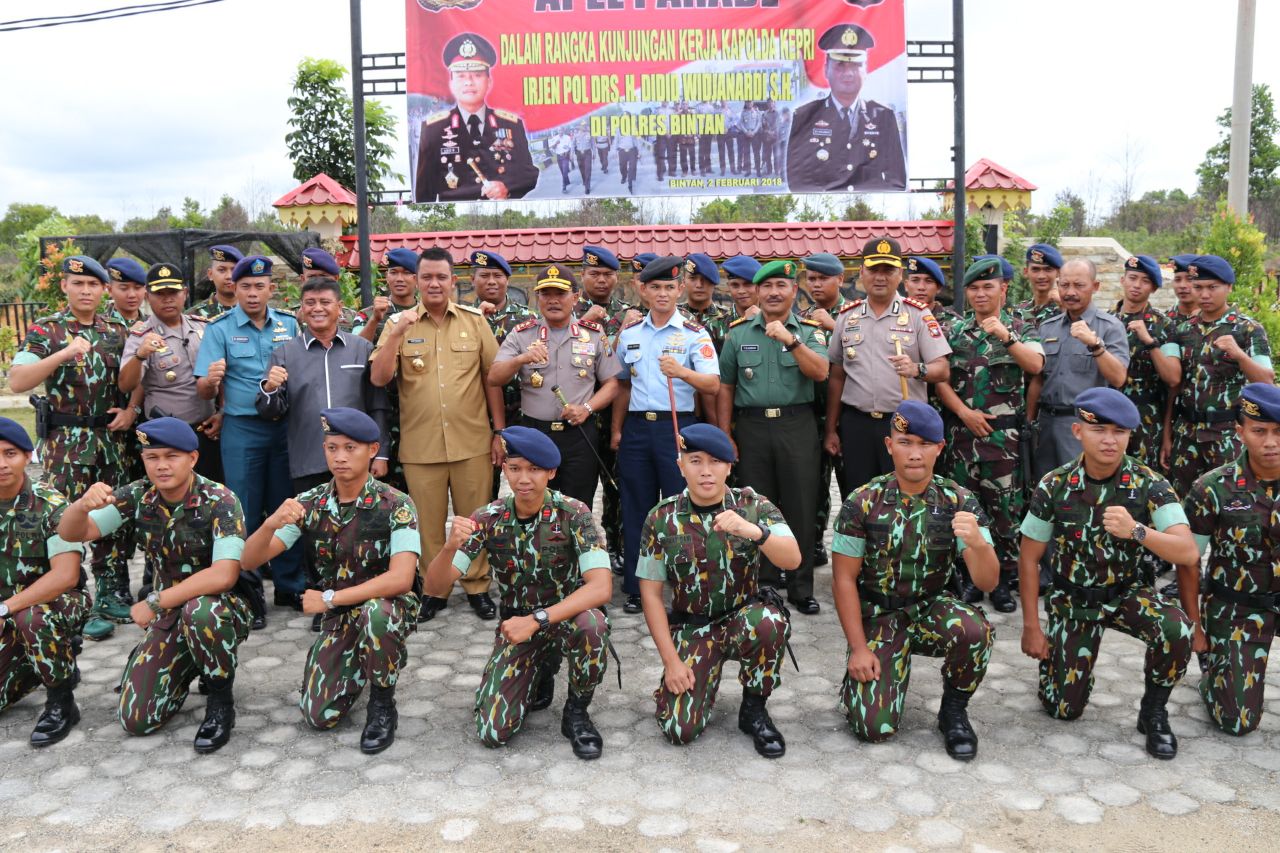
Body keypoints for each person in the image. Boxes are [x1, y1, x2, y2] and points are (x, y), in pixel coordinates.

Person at [1018, 388, 1198, 759]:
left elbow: (1188, 551)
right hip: (1073, 597)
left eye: (1120, 432)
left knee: (1176, 627)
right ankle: (1072, 669)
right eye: (1099, 430)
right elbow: (1028, 557)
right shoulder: (1054, 484)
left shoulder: (1149, 483)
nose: (1110, 440)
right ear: (1077, 432)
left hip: (1127, 593)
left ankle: (1154, 711)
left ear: (1130, 436)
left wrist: (1138, 531)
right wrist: (1032, 626)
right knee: (1063, 710)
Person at [59, 418, 250, 752]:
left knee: (201, 611)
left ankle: (221, 699)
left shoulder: (220, 500)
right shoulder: (137, 496)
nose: (161, 466)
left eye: (171, 456)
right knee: (136, 719)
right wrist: (81, 505)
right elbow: (75, 533)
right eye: (152, 457)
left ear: (192, 458)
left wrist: (155, 601)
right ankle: (188, 660)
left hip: (220, 609)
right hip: (169, 615)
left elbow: (224, 575)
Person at [241, 408, 419, 754]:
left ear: (372, 450)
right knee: (318, 715)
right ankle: (358, 660)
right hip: (339, 613)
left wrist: (328, 600)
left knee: (377, 615)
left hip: (385, 606)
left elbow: (401, 579)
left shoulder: (396, 504)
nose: (339, 457)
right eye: (331, 447)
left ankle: (383, 702)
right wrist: (269, 524)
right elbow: (249, 561)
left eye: (350, 448)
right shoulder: (310, 503)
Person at [427, 427, 612, 759]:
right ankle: (540, 670)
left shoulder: (574, 513)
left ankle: (577, 711)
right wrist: (449, 547)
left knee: (593, 624)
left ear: (551, 472)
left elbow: (601, 587)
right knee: (492, 731)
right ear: (504, 470)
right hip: (517, 627)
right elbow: (435, 587)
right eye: (515, 468)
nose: (524, 478)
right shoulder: (488, 517)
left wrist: (538, 619)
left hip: (565, 617)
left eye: (534, 469)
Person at [831, 401, 996, 759]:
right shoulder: (861, 501)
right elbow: (843, 579)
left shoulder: (960, 501)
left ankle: (954, 710)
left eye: (925, 444)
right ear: (890, 445)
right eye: (906, 442)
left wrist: (979, 545)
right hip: (878, 613)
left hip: (930, 607)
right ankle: (859, 680)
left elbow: (986, 582)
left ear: (940, 448)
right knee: (873, 729)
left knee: (974, 630)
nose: (915, 454)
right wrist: (859, 648)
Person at [637, 423, 798, 756]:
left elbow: (793, 559)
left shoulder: (754, 505)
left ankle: (754, 709)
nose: (706, 472)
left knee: (768, 621)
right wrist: (671, 663)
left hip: (743, 620)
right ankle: (690, 682)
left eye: (715, 462)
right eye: (695, 461)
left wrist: (754, 532)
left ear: (729, 465)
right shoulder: (661, 518)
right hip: (692, 627)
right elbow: (650, 595)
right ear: (680, 465)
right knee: (678, 730)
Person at [370, 247, 504, 623]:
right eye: (426, 276)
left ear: (452, 282)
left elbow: (491, 378)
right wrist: (395, 334)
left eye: (440, 277)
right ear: (415, 280)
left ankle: (477, 585)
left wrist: (499, 432)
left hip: (472, 441)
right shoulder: (399, 322)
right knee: (427, 526)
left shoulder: (475, 322)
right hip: (421, 444)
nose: (433, 283)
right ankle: (434, 589)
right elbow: (379, 378)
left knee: (473, 519)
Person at [10, 255, 135, 642]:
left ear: (103, 290)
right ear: (64, 286)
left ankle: (112, 593)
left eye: (93, 285)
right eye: (77, 284)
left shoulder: (118, 328)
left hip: (110, 441)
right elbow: (17, 380)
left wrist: (132, 410)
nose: (85, 291)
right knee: (64, 520)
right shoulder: (46, 331)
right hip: (65, 444)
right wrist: (63, 353)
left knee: (112, 513)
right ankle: (72, 594)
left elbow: (137, 373)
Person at [194, 255, 300, 627]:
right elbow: (203, 386)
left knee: (285, 506)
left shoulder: (290, 324)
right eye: (245, 287)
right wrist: (211, 379)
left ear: (271, 288)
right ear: (233, 289)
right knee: (245, 508)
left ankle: (290, 583)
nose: (252, 293)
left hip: (286, 427)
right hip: (242, 429)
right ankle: (250, 588)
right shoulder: (219, 329)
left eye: (259, 286)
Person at [934, 257, 1044, 612]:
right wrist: (963, 412)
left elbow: (1036, 366)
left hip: (1004, 441)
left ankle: (1001, 583)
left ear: (1004, 289)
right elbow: (941, 381)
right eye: (974, 289)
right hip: (963, 438)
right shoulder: (954, 331)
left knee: (1006, 511)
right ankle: (969, 579)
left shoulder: (1021, 326)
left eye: (988, 287)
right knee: (966, 509)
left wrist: (1006, 337)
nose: (980, 294)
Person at [718, 259, 828, 614]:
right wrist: (725, 435)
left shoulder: (809, 330)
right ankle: (763, 584)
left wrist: (791, 340)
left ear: (794, 291)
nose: (773, 292)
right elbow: (725, 387)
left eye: (781, 286)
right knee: (755, 507)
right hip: (751, 428)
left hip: (796, 425)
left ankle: (800, 586)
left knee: (800, 504)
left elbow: (821, 371)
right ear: (757, 292)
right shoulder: (738, 332)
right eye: (766, 287)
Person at [614, 256, 721, 614]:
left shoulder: (693, 334)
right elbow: (622, 383)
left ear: (680, 289)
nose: (662, 294)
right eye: (655, 287)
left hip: (677, 426)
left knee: (679, 508)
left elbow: (713, 383)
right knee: (636, 507)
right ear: (642, 290)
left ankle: (683, 583)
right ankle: (637, 586)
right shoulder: (629, 334)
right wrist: (617, 429)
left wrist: (683, 372)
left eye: (669, 287)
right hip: (637, 429)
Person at [255, 274, 389, 553]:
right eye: (310, 303)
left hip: (358, 458)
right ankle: (317, 591)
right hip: (308, 460)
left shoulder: (361, 348)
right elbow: (271, 413)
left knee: (363, 531)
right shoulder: (284, 353)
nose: (317, 308)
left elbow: (377, 404)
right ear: (301, 311)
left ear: (340, 308)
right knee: (314, 536)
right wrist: (269, 387)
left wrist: (383, 453)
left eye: (325, 302)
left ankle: (358, 592)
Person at [1183, 384, 1280, 736]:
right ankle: (1217, 673)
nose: (1271, 442)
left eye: (1279, 432)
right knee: (1237, 722)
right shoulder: (1212, 488)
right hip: (1238, 609)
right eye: (1260, 431)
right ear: (1240, 433)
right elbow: (1188, 560)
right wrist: (1195, 625)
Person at [825, 237, 952, 492]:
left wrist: (917, 369)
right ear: (861, 273)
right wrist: (831, 429)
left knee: (905, 496)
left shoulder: (918, 315)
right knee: (858, 496)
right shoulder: (846, 317)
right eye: (873, 270)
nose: (880, 277)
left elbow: (942, 369)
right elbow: (837, 376)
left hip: (904, 425)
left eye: (888, 270)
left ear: (900, 274)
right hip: (857, 424)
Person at [491, 265, 619, 505]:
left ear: (575, 296)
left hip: (579, 435)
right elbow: (494, 377)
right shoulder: (522, 334)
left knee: (578, 505)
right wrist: (521, 359)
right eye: (545, 294)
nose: (553, 300)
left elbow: (612, 383)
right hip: (535, 433)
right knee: (533, 504)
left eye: (559, 294)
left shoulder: (592, 334)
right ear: (537, 298)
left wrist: (587, 408)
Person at [0, 418, 87, 747]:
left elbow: (66, 576)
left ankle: (61, 701)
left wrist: (5, 608)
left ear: (27, 456)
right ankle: (41, 662)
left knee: (33, 617)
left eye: (10, 453)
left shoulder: (51, 504)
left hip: (54, 603)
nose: (1, 464)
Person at [1161, 255, 1273, 497]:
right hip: (1186, 433)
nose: (1204, 295)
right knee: (1185, 501)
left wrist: (1239, 354)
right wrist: (1167, 435)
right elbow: (1174, 385)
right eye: (1198, 287)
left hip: (1227, 434)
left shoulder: (1248, 329)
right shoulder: (1180, 330)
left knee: (1231, 501)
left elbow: (1266, 381)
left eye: (1213, 288)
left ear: (1229, 287)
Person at [1028, 258, 1129, 482]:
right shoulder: (1047, 327)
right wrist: (1029, 423)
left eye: (1079, 285)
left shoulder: (1110, 327)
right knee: (1045, 489)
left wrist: (1095, 345)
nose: (1070, 292)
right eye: (1064, 285)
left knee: (1081, 489)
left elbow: (1119, 377)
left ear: (1095, 287)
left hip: (1084, 425)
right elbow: (1038, 379)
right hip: (1046, 424)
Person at [120, 262, 223, 482]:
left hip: (206, 432)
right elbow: (125, 385)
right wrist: (140, 355)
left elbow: (223, 374)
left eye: (173, 292)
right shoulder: (140, 336)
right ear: (148, 297)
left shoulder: (204, 327)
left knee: (209, 494)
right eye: (160, 293)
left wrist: (222, 411)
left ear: (185, 293)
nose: (167, 298)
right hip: (166, 439)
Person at [414, 32, 538, 202]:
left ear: (489, 81)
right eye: (461, 76)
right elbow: (424, 190)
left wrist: (506, 187)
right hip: (455, 222)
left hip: (501, 218)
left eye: (477, 75)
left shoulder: (511, 125)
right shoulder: (433, 128)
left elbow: (529, 174)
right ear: (451, 83)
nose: (469, 82)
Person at [787, 24, 906, 192]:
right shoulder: (805, 116)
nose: (848, 73)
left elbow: (896, 179)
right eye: (840, 65)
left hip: (869, 211)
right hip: (821, 211)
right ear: (826, 69)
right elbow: (796, 180)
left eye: (855, 65)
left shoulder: (884, 117)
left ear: (866, 71)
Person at [575, 245, 631, 567]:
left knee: (616, 486)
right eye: (594, 274)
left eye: (608, 274)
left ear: (616, 277)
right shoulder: (568, 309)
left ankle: (615, 546)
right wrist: (584, 321)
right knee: (576, 485)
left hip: (615, 413)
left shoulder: (627, 314)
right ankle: (577, 546)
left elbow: (622, 367)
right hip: (576, 415)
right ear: (583, 275)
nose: (601, 280)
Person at [354, 248, 420, 493]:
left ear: (417, 278)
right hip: (377, 410)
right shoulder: (370, 313)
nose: (399, 278)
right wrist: (375, 320)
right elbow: (355, 351)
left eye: (407, 273)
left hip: (414, 411)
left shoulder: (427, 312)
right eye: (393, 272)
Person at [799, 252, 850, 566]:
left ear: (840, 280)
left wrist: (833, 326)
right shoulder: (802, 315)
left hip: (849, 415)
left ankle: (853, 546)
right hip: (810, 412)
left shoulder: (854, 313)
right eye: (811, 279)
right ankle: (815, 541)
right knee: (813, 484)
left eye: (823, 278)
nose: (815, 284)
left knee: (852, 485)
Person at [471, 250, 533, 500]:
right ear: (472, 280)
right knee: (484, 493)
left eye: (497, 275)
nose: (491, 281)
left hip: (523, 414)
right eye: (484, 275)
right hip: (477, 417)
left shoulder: (528, 319)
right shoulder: (463, 317)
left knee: (529, 484)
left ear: (508, 280)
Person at [1113, 255, 1179, 468]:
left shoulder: (1164, 325)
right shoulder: (1105, 321)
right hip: (1109, 413)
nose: (1136, 285)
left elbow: (1172, 378)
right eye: (1132, 278)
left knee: (1144, 483)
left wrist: (1151, 343)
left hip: (1146, 419)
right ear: (1123, 280)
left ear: (1153, 289)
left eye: (1145, 281)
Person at [298, 248, 359, 332]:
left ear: (335, 278)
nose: (318, 282)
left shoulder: (352, 317)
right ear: (303, 279)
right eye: (312, 277)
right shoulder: (289, 318)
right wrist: (297, 322)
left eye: (323, 276)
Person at [681, 253, 730, 351]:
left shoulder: (728, 317)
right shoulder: (672, 315)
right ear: (683, 281)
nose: (699, 285)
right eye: (693, 278)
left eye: (705, 279)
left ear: (714, 282)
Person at [904, 256, 959, 333]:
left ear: (938, 288)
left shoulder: (956, 324)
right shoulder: (893, 319)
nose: (921, 287)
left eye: (928, 281)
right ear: (906, 285)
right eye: (915, 280)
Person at [1012, 243, 1063, 329]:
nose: (1041, 276)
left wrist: (1063, 306)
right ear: (1026, 272)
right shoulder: (1018, 311)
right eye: (1035, 269)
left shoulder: (1065, 310)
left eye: (1048, 269)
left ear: (1059, 273)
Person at [187, 245, 242, 320]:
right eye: (222, 270)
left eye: (234, 270)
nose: (229, 276)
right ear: (210, 274)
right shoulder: (193, 316)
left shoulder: (255, 311)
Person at [105, 258, 148, 325]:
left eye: (137, 288)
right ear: (110, 290)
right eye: (124, 288)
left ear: (145, 290)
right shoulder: (96, 325)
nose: (132, 295)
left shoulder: (153, 324)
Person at [724, 255, 761, 323]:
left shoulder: (776, 320)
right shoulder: (716, 326)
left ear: (759, 286)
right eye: (735, 285)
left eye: (748, 284)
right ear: (728, 287)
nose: (741, 291)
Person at [1165, 254, 1199, 323]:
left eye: (1190, 279)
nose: (1182, 285)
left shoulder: (1215, 317)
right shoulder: (1164, 320)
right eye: (1177, 279)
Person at [573, 123, 594, 194]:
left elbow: (593, 144)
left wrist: (594, 153)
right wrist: (571, 154)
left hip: (588, 153)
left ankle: (587, 187)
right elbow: (573, 145)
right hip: (579, 154)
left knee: (588, 169)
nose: (584, 127)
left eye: (585, 126)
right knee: (582, 169)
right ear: (580, 127)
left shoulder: (590, 134)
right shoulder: (576, 135)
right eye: (582, 126)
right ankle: (584, 181)